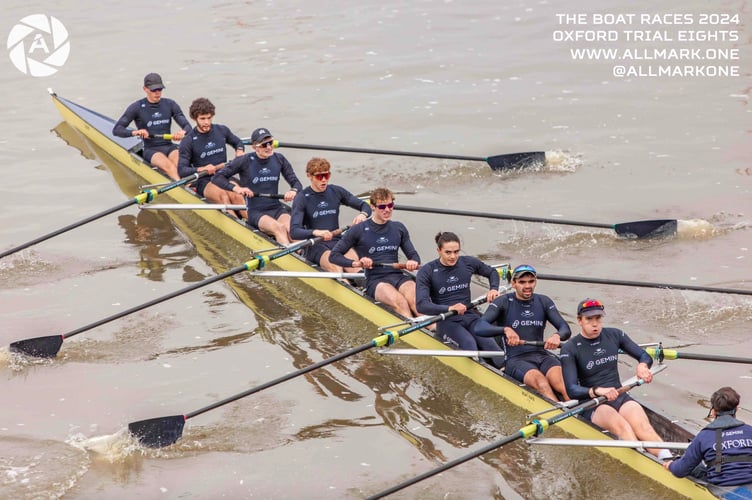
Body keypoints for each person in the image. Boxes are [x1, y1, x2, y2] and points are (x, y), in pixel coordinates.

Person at [560, 298, 671, 459]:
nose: (595, 324)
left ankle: (669, 461)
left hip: (619, 395)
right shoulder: (570, 348)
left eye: (598, 318)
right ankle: (643, 462)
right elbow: (571, 390)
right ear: (579, 321)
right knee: (624, 428)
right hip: (593, 404)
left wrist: (642, 366)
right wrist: (597, 391)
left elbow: (643, 355)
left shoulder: (614, 335)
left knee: (644, 428)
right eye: (589, 319)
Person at [473, 264, 570, 401]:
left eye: (531, 281)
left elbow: (565, 328)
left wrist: (557, 335)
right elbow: (479, 327)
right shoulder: (503, 302)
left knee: (563, 384)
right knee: (541, 383)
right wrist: (505, 330)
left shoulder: (543, 301)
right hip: (516, 359)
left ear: (535, 282)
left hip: (542, 356)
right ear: (513, 283)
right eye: (522, 282)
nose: (527, 286)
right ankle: (562, 415)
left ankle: (582, 416)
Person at [415, 231, 504, 368]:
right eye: (448, 252)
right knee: (470, 347)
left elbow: (492, 272)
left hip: (469, 315)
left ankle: (508, 373)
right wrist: (449, 308)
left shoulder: (467, 263)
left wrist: (493, 289)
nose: (453, 256)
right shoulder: (427, 271)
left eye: (456, 252)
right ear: (438, 251)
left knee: (492, 347)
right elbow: (421, 305)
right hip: (447, 320)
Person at [329, 187, 420, 318]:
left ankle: (435, 331)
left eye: (390, 205)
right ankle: (413, 332)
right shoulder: (358, 230)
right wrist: (356, 263)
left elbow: (414, 255)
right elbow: (334, 256)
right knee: (401, 303)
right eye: (382, 207)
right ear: (372, 207)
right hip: (375, 280)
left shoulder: (399, 228)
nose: (387, 210)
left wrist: (413, 261)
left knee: (417, 303)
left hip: (398, 276)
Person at [211, 127, 302, 244]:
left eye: (271, 143)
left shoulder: (279, 159)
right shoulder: (244, 161)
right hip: (256, 212)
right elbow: (217, 177)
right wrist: (236, 188)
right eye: (264, 145)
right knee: (279, 229)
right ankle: (288, 257)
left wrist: (293, 191)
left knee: (295, 232)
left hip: (277, 208)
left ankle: (300, 255)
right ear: (255, 147)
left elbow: (296, 183)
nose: (269, 147)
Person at [289, 158, 371, 271]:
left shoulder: (336, 191)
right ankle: (343, 282)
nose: (323, 180)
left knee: (356, 266)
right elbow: (294, 232)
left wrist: (363, 214)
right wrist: (317, 232)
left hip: (337, 240)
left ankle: (360, 284)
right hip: (315, 245)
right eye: (319, 176)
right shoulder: (302, 198)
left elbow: (365, 206)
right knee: (336, 268)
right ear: (309, 176)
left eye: (326, 176)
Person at [665, 387, 752, 486]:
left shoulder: (704, 436)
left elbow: (680, 471)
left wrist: (671, 465)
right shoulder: (750, 430)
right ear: (736, 409)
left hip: (722, 487)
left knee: (696, 467)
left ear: (713, 411)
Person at [177, 97, 247, 218]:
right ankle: (236, 224)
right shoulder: (188, 141)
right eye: (202, 119)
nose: (207, 122)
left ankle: (252, 223)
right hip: (204, 180)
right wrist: (201, 169)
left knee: (237, 195)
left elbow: (238, 142)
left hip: (224, 174)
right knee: (223, 196)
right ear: (195, 119)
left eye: (209, 118)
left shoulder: (221, 130)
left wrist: (239, 151)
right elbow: (182, 170)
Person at [113, 73, 191, 180]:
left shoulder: (170, 104)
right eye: (153, 90)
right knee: (170, 168)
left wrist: (183, 132)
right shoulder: (137, 107)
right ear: (145, 89)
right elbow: (117, 130)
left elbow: (188, 127)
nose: (157, 93)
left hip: (169, 146)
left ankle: (190, 187)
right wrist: (134, 132)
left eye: (160, 89)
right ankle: (184, 191)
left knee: (181, 166)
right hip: (151, 149)